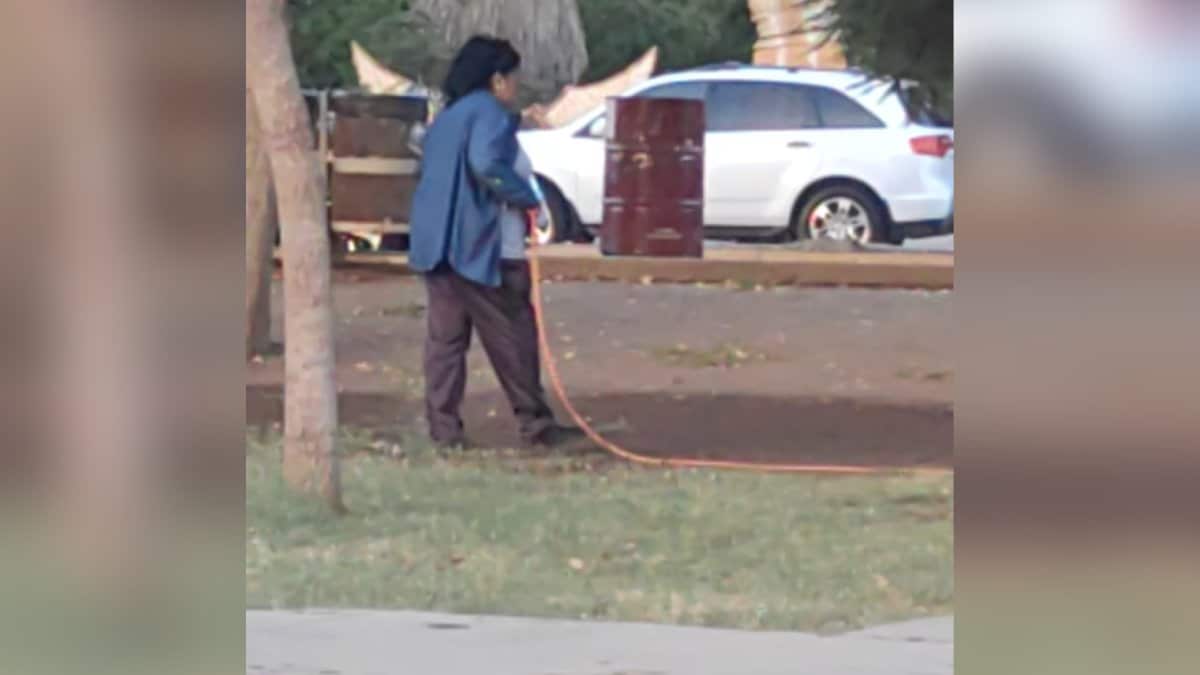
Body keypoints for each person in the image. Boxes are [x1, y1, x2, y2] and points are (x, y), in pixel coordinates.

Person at [408, 35, 584, 450]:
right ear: (497, 79)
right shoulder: (490, 112)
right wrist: (528, 200)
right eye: (514, 78)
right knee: (512, 333)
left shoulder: (446, 119)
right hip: (484, 247)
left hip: (438, 246)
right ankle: (535, 425)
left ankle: (443, 429)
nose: (517, 87)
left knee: (446, 341)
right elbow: (487, 163)